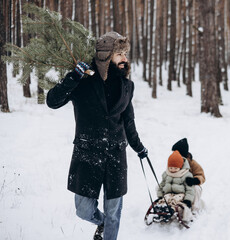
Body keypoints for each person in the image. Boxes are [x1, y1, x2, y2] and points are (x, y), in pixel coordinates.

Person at [46, 31, 148, 240]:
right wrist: (73, 77)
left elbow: (128, 121)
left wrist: (139, 147)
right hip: (88, 153)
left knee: (114, 212)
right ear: (106, 54)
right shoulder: (82, 81)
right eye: (120, 54)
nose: (125, 59)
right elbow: (52, 101)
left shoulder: (127, 86)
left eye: (126, 54)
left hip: (115, 155)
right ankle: (99, 222)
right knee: (83, 209)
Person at [156, 150, 195, 216]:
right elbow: (161, 185)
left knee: (175, 200)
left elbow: (190, 189)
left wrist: (188, 200)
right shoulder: (166, 174)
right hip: (168, 193)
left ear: (180, 167)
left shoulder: (186, 175)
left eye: (175, 168)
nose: (173, 170)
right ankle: (161, 208)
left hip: (180, 194)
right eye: (171, 168)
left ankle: (171, 210)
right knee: (166, 198)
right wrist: (160, 195)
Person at [171, 138, 205, 211]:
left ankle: (194, 209)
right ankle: (167, 205)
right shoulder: (173, 163)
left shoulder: (192, 163)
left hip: (189, 187)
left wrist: (194, 180)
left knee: (197, 188)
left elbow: (201, 175)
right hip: (177, 186)